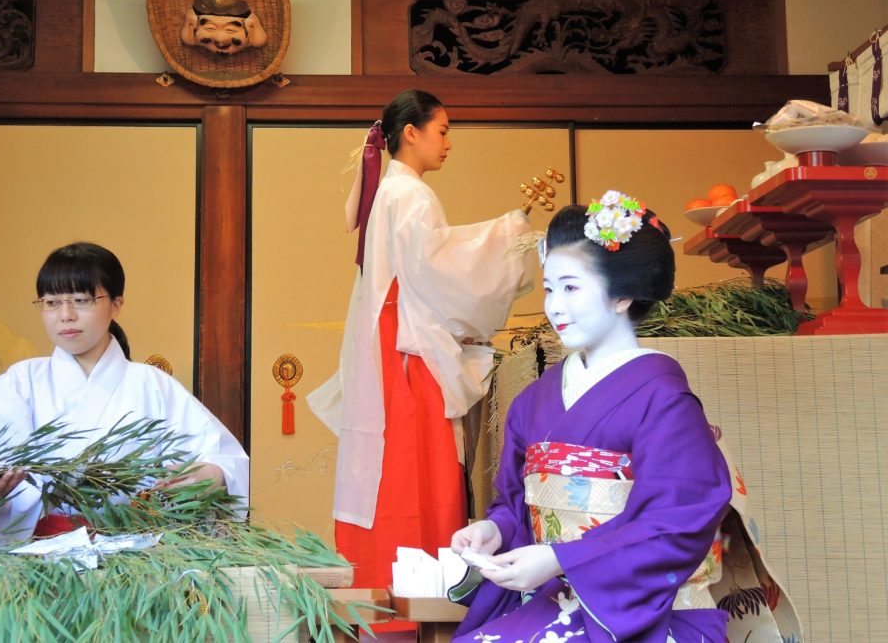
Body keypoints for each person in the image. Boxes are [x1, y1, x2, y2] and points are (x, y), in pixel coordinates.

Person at [451, 192, 733, 642]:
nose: (555, 306)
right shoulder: (534, 401)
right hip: (555, 601)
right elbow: (514, 504)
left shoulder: (662, 397)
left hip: (643, 613)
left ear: (622, 295)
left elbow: (676, 522)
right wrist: (493, 529)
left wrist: (564, 559)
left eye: (571, 287)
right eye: (548, 288)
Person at [308, 90, 532, 610]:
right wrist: (508, 234)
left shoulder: (393, 190)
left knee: (392, 473)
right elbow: (437, 269)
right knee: (416, 473)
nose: (448, 143)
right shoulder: (408, 194)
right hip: (407, 350)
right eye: (443, 130)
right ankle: (423, 599)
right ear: (411, 132)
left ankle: (387, 596)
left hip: (392, 344)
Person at [0, 242, 249, 551]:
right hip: (36, 558)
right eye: (51, 302)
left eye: (81, 300)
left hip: (135, 554)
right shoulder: (21, 383)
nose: (65, 315)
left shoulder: (152, 385)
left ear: (116, 304)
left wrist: (214, 473)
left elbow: (225, 459)